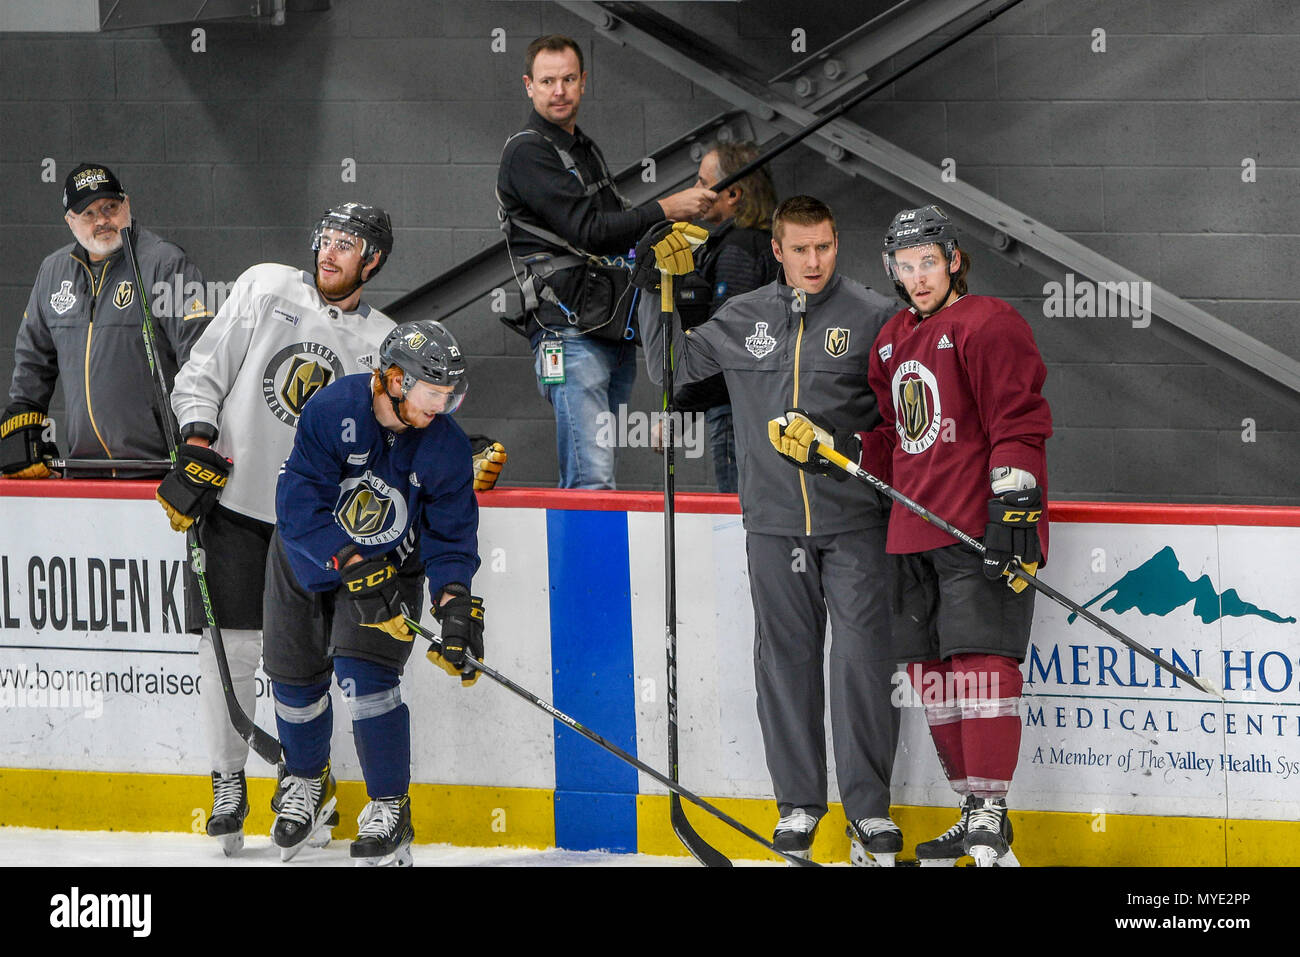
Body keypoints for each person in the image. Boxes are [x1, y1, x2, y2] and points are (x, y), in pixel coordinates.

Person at [774, 205, 1051, 866]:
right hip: (908, 537)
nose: (918, 274)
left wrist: (1015, 503)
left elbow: (1020, 416)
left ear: (954, 259)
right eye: (906, 263)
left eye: (930, 259)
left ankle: (990, 811)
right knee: (932, 680)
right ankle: (970, 809)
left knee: (982, 668)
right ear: (892, 269)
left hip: (975, 530)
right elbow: (893, 443)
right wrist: (834, 449)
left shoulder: (990, 322)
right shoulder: (893, 338)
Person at [636, 196, 903, 864]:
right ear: (777, 251)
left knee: (863, 665)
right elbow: (669, 375)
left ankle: (869, 812)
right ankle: (799, 806)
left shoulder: (876, 316)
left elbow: (903, 424)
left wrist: (843, 443)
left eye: (825, 246)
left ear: (838, 241)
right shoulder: (742, 316)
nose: (814, 262)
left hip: (856, 525)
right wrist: (655, 288)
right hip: (773, 526)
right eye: (801, 249)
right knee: (784, 665)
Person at [159, 203, 401, 856]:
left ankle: (303, 780)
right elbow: (201, 374)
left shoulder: (382, 341)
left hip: (312, 530)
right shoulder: (266, 285)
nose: (330, 251)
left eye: (348, 245)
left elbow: (392, 442)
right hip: (236, 510)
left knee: (304, 666)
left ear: (372, 260)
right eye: (327, 237)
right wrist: (198, 439)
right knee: (231, 654)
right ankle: (229, 780)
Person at [264, 319, 483, 866]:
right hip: (305, 559)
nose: (444, 404)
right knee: (294, 683)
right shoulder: (331, 409)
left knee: (370, 684)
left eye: (450, 393)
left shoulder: (447, 446)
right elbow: (296, 504)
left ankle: (390, 807)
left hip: (390, 571)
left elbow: (451, 535)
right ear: (392, 379)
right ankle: (309, 784)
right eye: (434, 393)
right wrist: (350, 560)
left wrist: (456, 607)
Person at [496, 33, 716, 489]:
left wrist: (670, 231)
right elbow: (590, 231)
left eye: (569, 79)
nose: (559, 90)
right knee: (590, 479)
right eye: (548, 80)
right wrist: (669, 208)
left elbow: (617, 225)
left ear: (583, 82)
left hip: (608, 327)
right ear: (528, 85)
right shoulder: (528, 151)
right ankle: (586, 563)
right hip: (567, 330)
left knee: (598, 475)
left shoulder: (581, 148)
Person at [1, 163, 212, 479]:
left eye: (110, 207)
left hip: (160, 471)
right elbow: (33, 361)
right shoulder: (53, 271)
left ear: (126, 205)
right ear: (70, 221)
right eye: (88, 213)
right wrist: (23, 423)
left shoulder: (164, 263)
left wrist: (199, 437)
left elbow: (202, 355)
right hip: (84, 471)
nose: (102, 220)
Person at [640, 141, 779, 493]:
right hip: (756, 408)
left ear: (732, 194)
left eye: (704, 183)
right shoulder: (765, 246)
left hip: (736, 414)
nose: (697, 191)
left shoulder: (739, 250)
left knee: (738, 521)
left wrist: (677, 412)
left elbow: (726, 346)